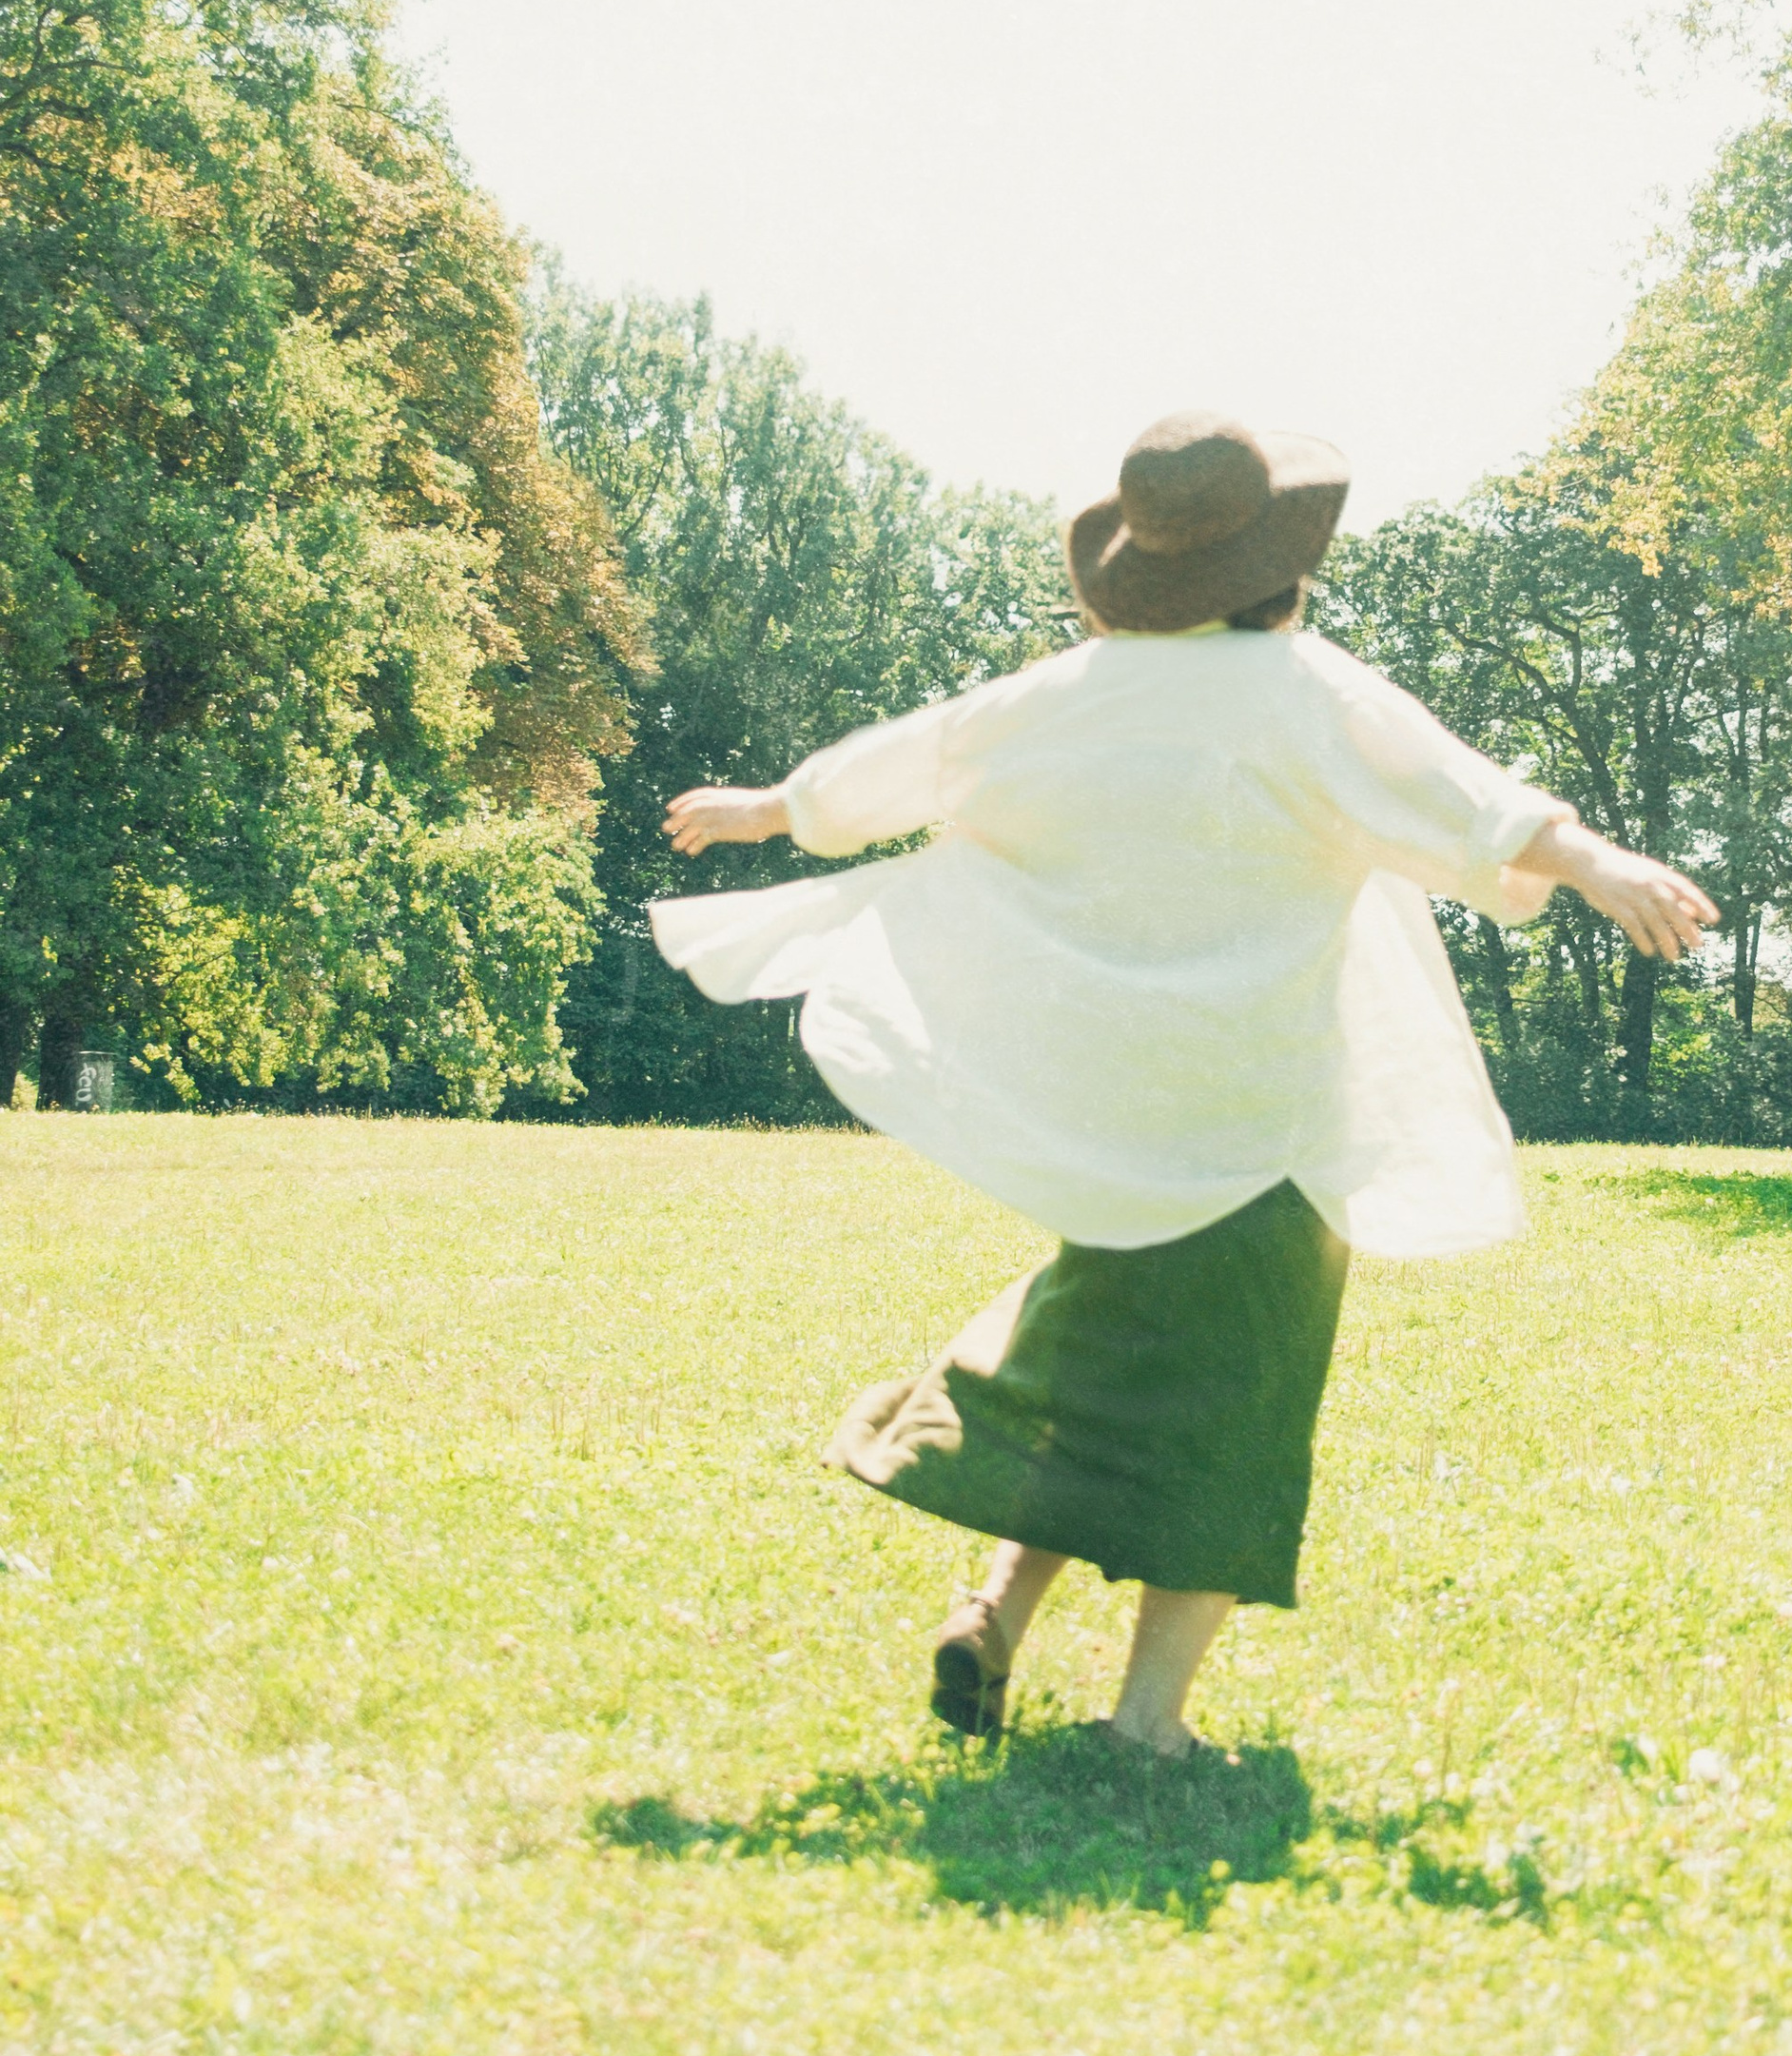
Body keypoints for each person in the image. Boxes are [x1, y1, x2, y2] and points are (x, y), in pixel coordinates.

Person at [653, 411, 1717, 1757]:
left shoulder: (1067, 691)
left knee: (1099, 1361)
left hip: (1122, 1117)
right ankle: (1147, 1722)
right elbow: (1457, 794)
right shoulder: (1299, 689)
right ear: (1277, 566)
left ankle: (992, 1616)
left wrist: (769, 808)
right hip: (1263, 1116)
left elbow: (910, 760)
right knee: (1231, 1410)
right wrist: (1599, 863)